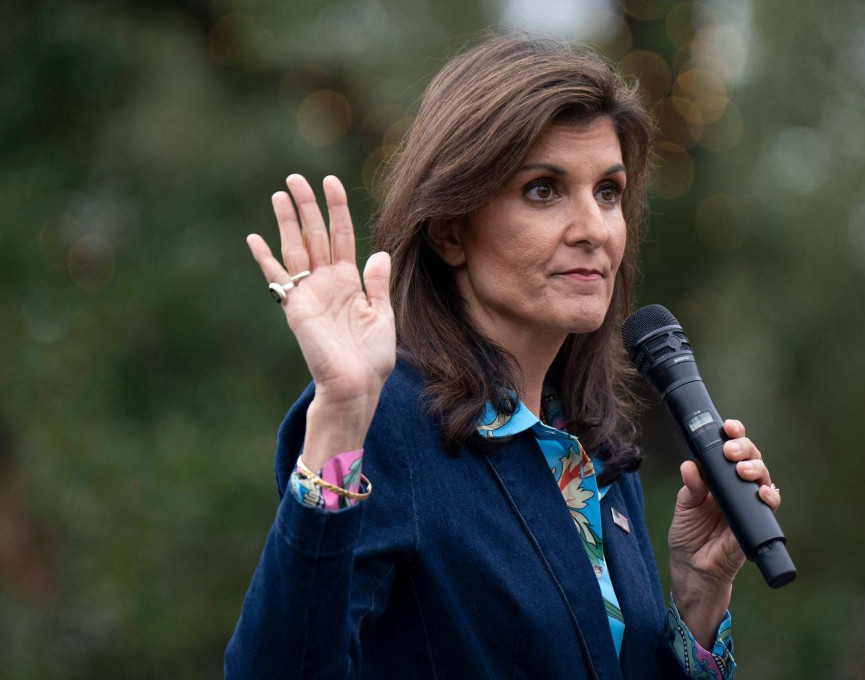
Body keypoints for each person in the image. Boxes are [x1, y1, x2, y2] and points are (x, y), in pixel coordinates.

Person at [226, 35, 781, 679]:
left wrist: (698, 599)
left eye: (608, 191)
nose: (595, 229)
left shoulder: (594, 449)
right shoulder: (387, 421)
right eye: (544, 190)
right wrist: (342, 415)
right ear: (451, 230)